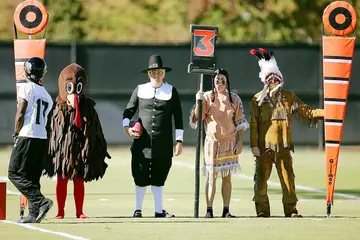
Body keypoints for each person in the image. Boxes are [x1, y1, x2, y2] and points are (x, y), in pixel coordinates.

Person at [249, 48, 324, 218]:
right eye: (270, 79)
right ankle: (262, 210)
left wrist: (330, 111)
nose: (273, 81)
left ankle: (291, 210)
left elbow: (308, 112)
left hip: (283, 146)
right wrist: (254, 146)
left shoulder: (289, 97)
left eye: (276, 78)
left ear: (280, 79)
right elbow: (253, 125)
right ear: (265, 81)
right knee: (261, 180)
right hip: (263, 147)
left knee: (288, 179)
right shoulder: (257, 100)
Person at [44, 63, 110, 219]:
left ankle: (79, 211)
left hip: (80, 148)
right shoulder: (56, 108)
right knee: (62, 179)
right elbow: (51, 129)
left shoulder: (88, 107)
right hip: (62, 152)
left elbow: (93, 129)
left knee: (79, 180)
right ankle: (60, 211)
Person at [122, 54, 184, 218]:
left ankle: (159, 209)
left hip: (163, 143)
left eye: (159, 72)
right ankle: (138, 209)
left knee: (160, 175)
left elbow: (178, 117)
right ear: (148, 74)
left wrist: (179, 140)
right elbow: (128, 111)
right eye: (153, 72)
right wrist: (127, 128)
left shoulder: (172, 91)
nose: (156, 75)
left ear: (164, 73)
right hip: (142, 142)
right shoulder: (140, 89)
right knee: (139, 175)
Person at [189, 68, 249, 218]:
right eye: (217, 80)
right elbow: (197, 118)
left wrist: (239, 142)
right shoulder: (208, 97)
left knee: (227, 177)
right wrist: (198, 101)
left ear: (227, 81)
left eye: (223, 80)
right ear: (213, 82)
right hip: (212, 143)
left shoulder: (234, 98)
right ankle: (209, 210)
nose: (220, 82)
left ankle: (226, 210)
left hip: (229, 143)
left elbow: (240, 122)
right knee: (212, 176)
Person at [8, 57, 54, 223]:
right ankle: (34, 214)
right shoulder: (47, 96)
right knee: (32, 176)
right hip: (41, 137)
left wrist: (16, 132)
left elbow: (21, 111)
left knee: (14, 173)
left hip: (27, 134)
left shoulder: (25, 88)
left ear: (27, 71)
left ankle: (41, 202)